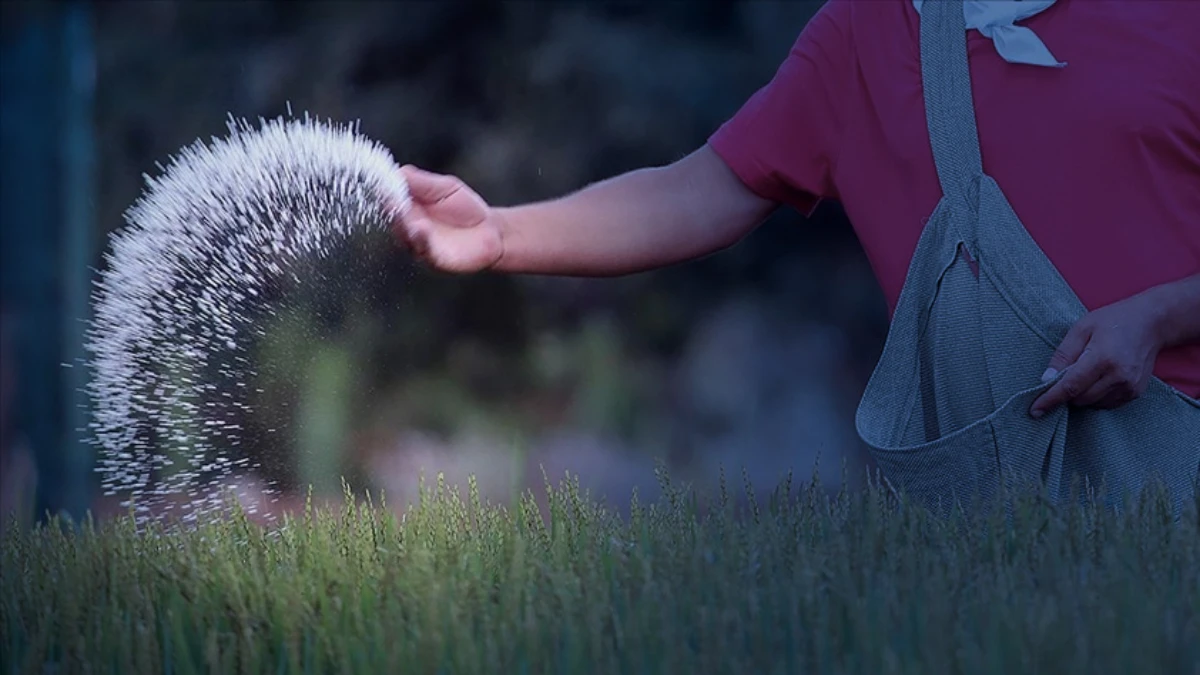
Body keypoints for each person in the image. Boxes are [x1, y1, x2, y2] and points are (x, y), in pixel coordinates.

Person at [392, 0, 1200, 506]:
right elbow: (702, 188)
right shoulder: (866, 32)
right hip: (982, 518)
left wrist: (1160, 316)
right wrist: (501, 233)